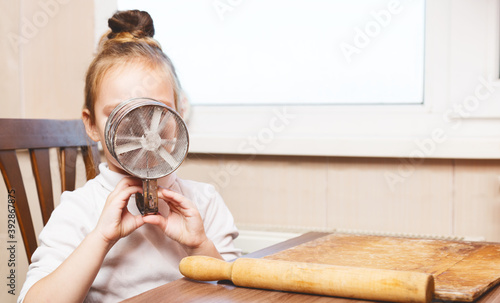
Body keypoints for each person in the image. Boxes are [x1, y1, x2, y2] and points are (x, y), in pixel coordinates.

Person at [18, 9, 241, 303]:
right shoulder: (79, 210)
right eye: (119, 116)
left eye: (154, 111)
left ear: (178, 114)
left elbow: (235, 293)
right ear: (92, 125)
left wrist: (199, 245)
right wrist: (100, 238)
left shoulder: (205, 202)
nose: (141, 130)